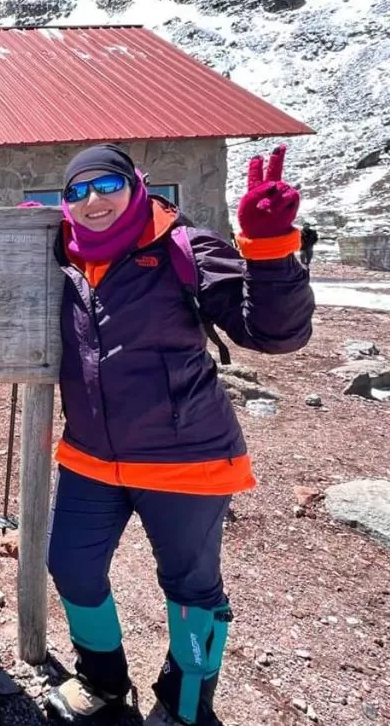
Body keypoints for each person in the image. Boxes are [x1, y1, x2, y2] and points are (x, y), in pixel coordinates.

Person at [41, 144, 313, 726]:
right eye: (77, 190)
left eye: (107, 184)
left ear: (136, 184)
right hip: (90, 456)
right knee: (70, 566)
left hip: (186, 458)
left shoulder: (182, 246)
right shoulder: (57, 257)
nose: (93, 200)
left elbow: (272, 333)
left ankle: (186, 704)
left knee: (192, 590)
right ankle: (104, 681)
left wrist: (268, 249)